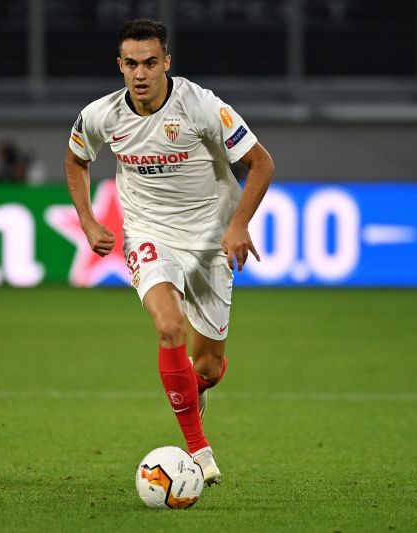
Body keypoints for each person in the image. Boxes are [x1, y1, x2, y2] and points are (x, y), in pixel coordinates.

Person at [63, 19, 274, 485]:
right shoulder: (101, 115)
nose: (141, 73)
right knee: (169, 324)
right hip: (148, 235)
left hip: (210, 243)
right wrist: (88, 220)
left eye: (151, 63)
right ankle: (198, 451)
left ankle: (195, 389)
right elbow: (76, 159)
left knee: (209, 368)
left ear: (167, 64)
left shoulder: (201, 107)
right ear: (120, 66)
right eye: (132, 64)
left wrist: (239, 224)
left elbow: (261, 162)